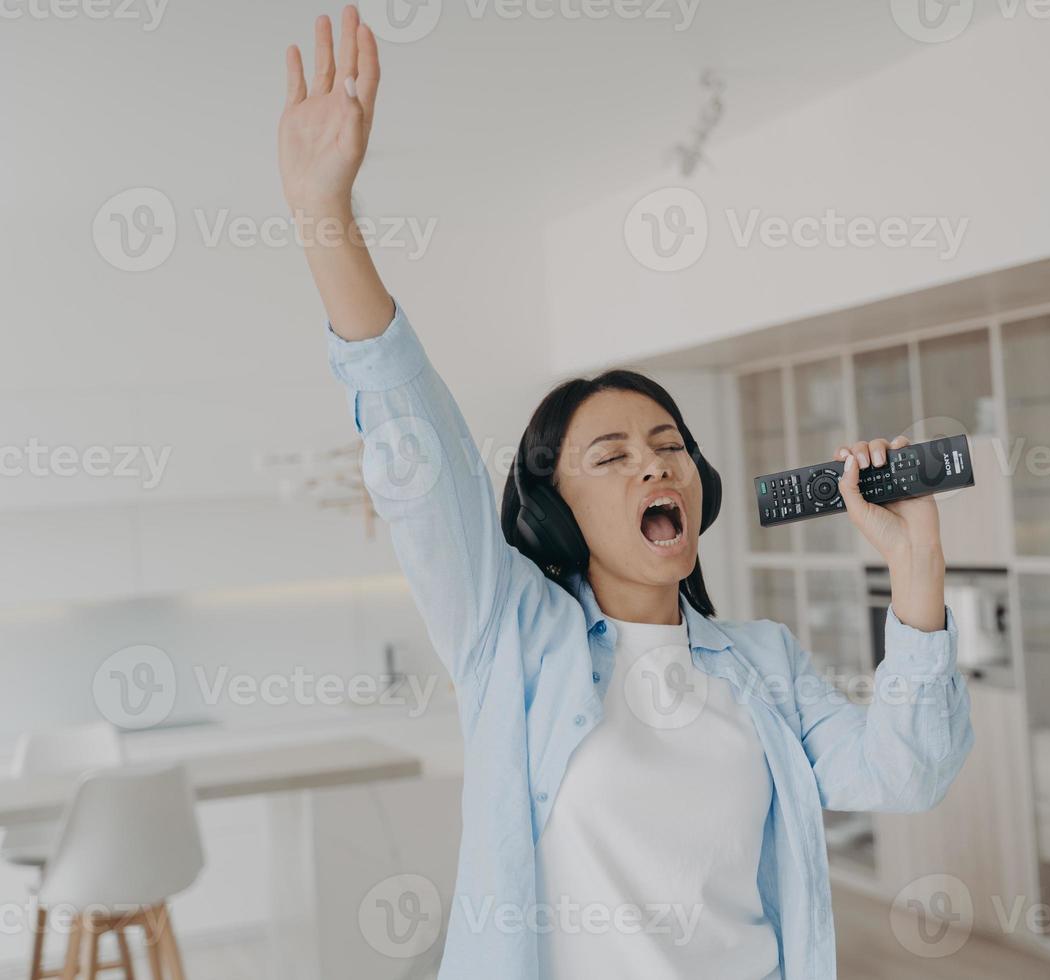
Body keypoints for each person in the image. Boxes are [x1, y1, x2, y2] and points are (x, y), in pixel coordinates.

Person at [276, 8, 974, 978]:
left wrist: (915, 566)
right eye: (610, 455)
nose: (654, 464)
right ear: (556, 504)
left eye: (669, 444)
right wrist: (324, 214)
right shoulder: (510, 638)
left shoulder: (762, 665)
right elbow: (418, 456)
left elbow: (909, 769)